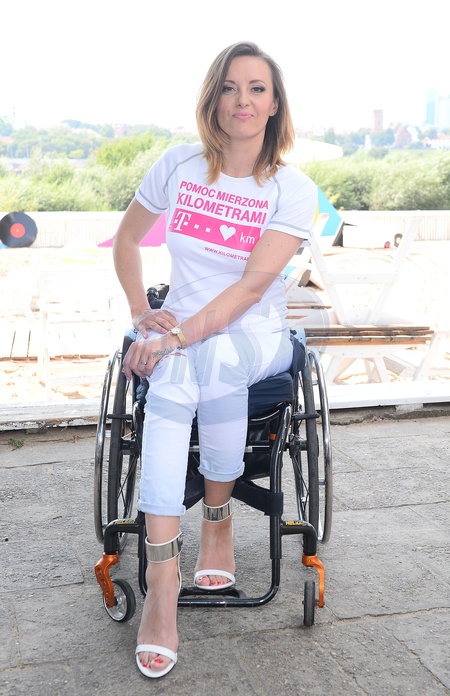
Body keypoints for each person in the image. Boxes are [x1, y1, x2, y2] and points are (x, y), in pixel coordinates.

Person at [113, 41, 318, 679]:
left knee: (213, 358)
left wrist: (175, 338)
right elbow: (127, 237)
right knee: (180, 373)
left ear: (275, 104)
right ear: (213, 98)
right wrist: (141, 313)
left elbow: (251, 289)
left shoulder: (291, 188)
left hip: (256, 334)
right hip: (181, 331)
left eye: (257, 88)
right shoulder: (178, 165)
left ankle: (216, 526)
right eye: (230, 87)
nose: (242, 100)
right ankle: (164, 578)